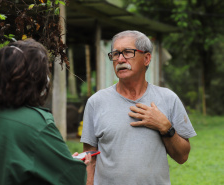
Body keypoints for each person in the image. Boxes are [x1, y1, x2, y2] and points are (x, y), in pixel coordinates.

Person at [80, 30, 197, 185]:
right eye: (115, 54)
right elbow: (90, 158)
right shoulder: (96, 102)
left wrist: (166, 127)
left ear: (147, 58)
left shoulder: (168, 99)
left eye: (128, 52)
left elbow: (182, 157)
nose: (120, 59)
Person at [0, 39, 91, 185]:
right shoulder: (36, 124)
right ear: (35, 77)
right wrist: (76, 166)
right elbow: (71, 179)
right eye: (45, 70)